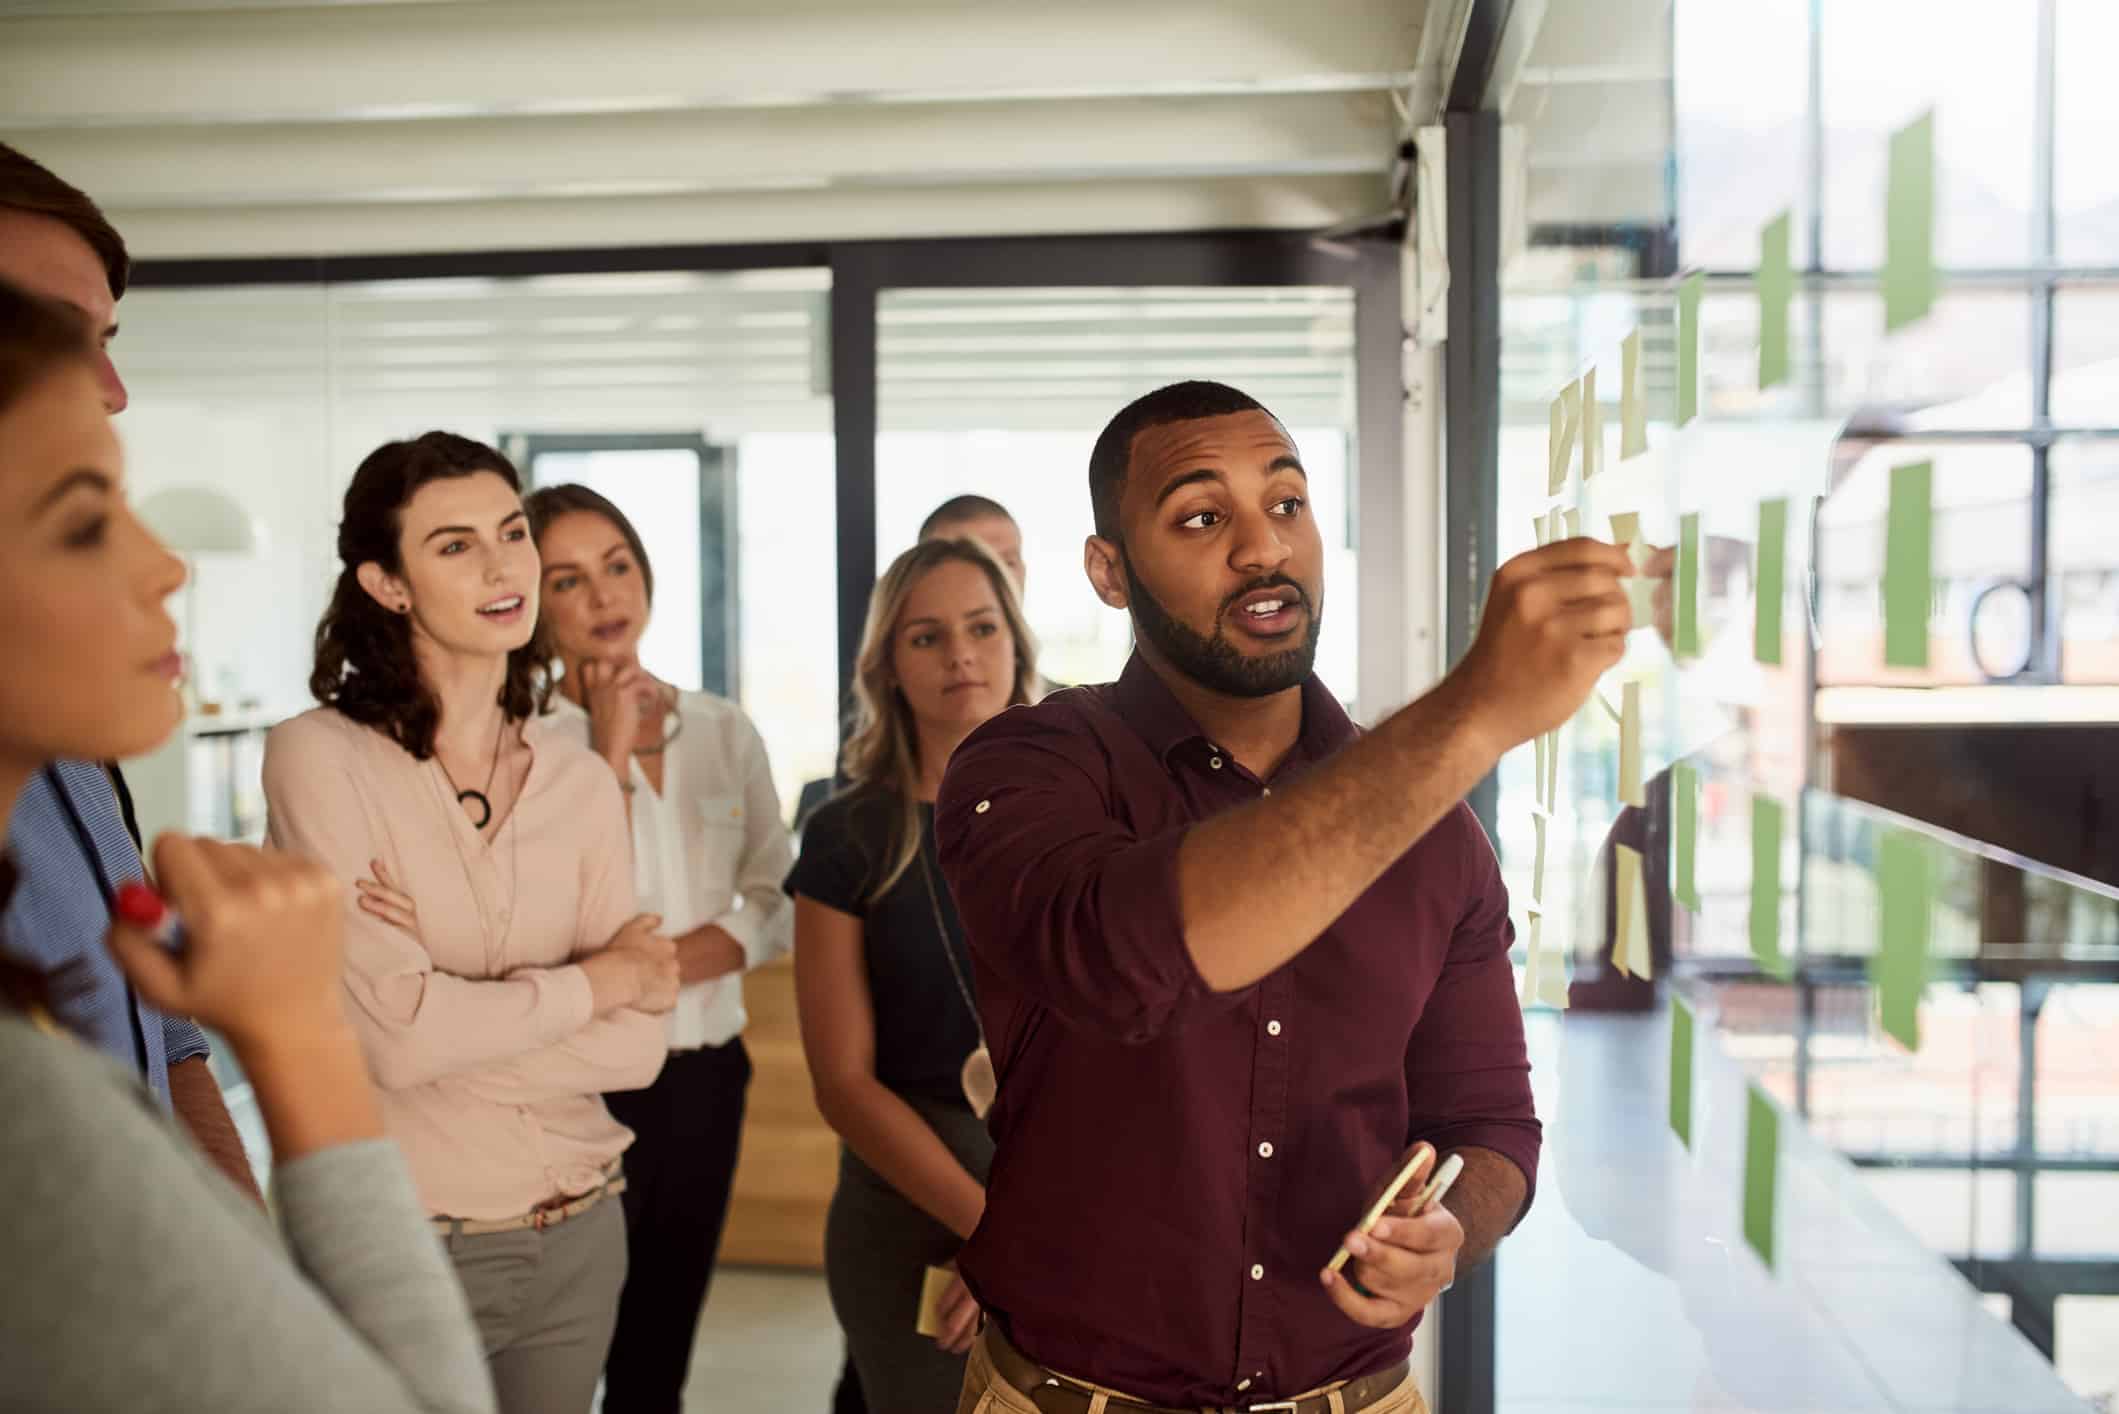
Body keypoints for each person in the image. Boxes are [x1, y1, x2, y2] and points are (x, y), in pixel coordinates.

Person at [936, 381, 1634, 1413]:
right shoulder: (1030, 763)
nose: (1262, 548)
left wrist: (1450, 1229)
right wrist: (1473, 713)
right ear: (1108, 571)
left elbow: (1490, 1125)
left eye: (1287, 504)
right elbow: (1123, 957)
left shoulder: (1438, 835)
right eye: (1202, 516)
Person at [0, 276, 493, 1413]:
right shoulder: (24, 1114)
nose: (168, 565)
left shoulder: (88, 786)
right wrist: (298, 1033)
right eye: (83, 518)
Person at [262, 432, 679, 1414]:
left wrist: (450, 1019)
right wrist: (598, 982)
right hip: (410, 1241)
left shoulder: (579, 774)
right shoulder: (318, 759)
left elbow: (641, 1046)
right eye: (453, 545)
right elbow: (400, 1043)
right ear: (387, 581)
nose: (503, 566)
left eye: (510, 532)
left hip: (580, 1233)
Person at [0, 140, 256, 1200]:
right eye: (84, 520)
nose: (109, 387)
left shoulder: (77, 739)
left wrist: (252, 1267)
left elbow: (169, 1039)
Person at [523, 483, 795, 1414]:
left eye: (618, 567)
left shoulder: (723, 728)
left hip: (705, 1078)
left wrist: (657, 972)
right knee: (566, 1341)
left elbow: (773, 893)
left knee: (661, 1343)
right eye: (568, 579)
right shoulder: (521, 742)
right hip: (575, 1084)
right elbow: (545, 914)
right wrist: (605, 746)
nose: (603, 597)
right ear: (533, 600)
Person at [787, 536, 1040, 1414]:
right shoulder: (845, 832)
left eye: (980, 627)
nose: (961, 654)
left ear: (1016, 642)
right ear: (887, 666)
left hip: (1078, 1210)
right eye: (926, 637)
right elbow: (843, 1085)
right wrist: (993, 1231)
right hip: (914, 1213)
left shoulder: (1092, 815)